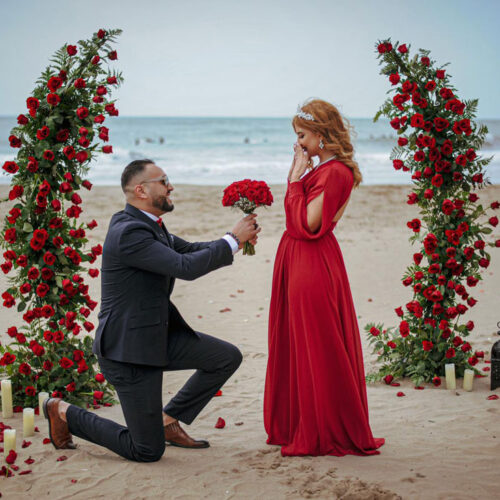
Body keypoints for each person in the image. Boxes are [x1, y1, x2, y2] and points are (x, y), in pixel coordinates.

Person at [43, 159, 260, 462]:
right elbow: (185, 267)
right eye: (164, 181)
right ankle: (63, 412)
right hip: (127, 353)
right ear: (142, 190)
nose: (171, 186)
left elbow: (189, 251)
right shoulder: (130, 232)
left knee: (225, 357)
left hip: (156, 338)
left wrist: (234, 240)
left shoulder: (149, 224)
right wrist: (233, 240)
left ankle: (168, 419)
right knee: (146, 450)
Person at [264, 99, 384, 456]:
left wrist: (293, 181)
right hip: (304, 259)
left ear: (321, 134)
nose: (298, 143)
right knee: (302, 341)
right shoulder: (329, 169)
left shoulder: (334, 173)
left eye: (302, 135)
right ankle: (302, 419)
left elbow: (309, 224)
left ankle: (323, 426)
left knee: (317, 344)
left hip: (311, 262)